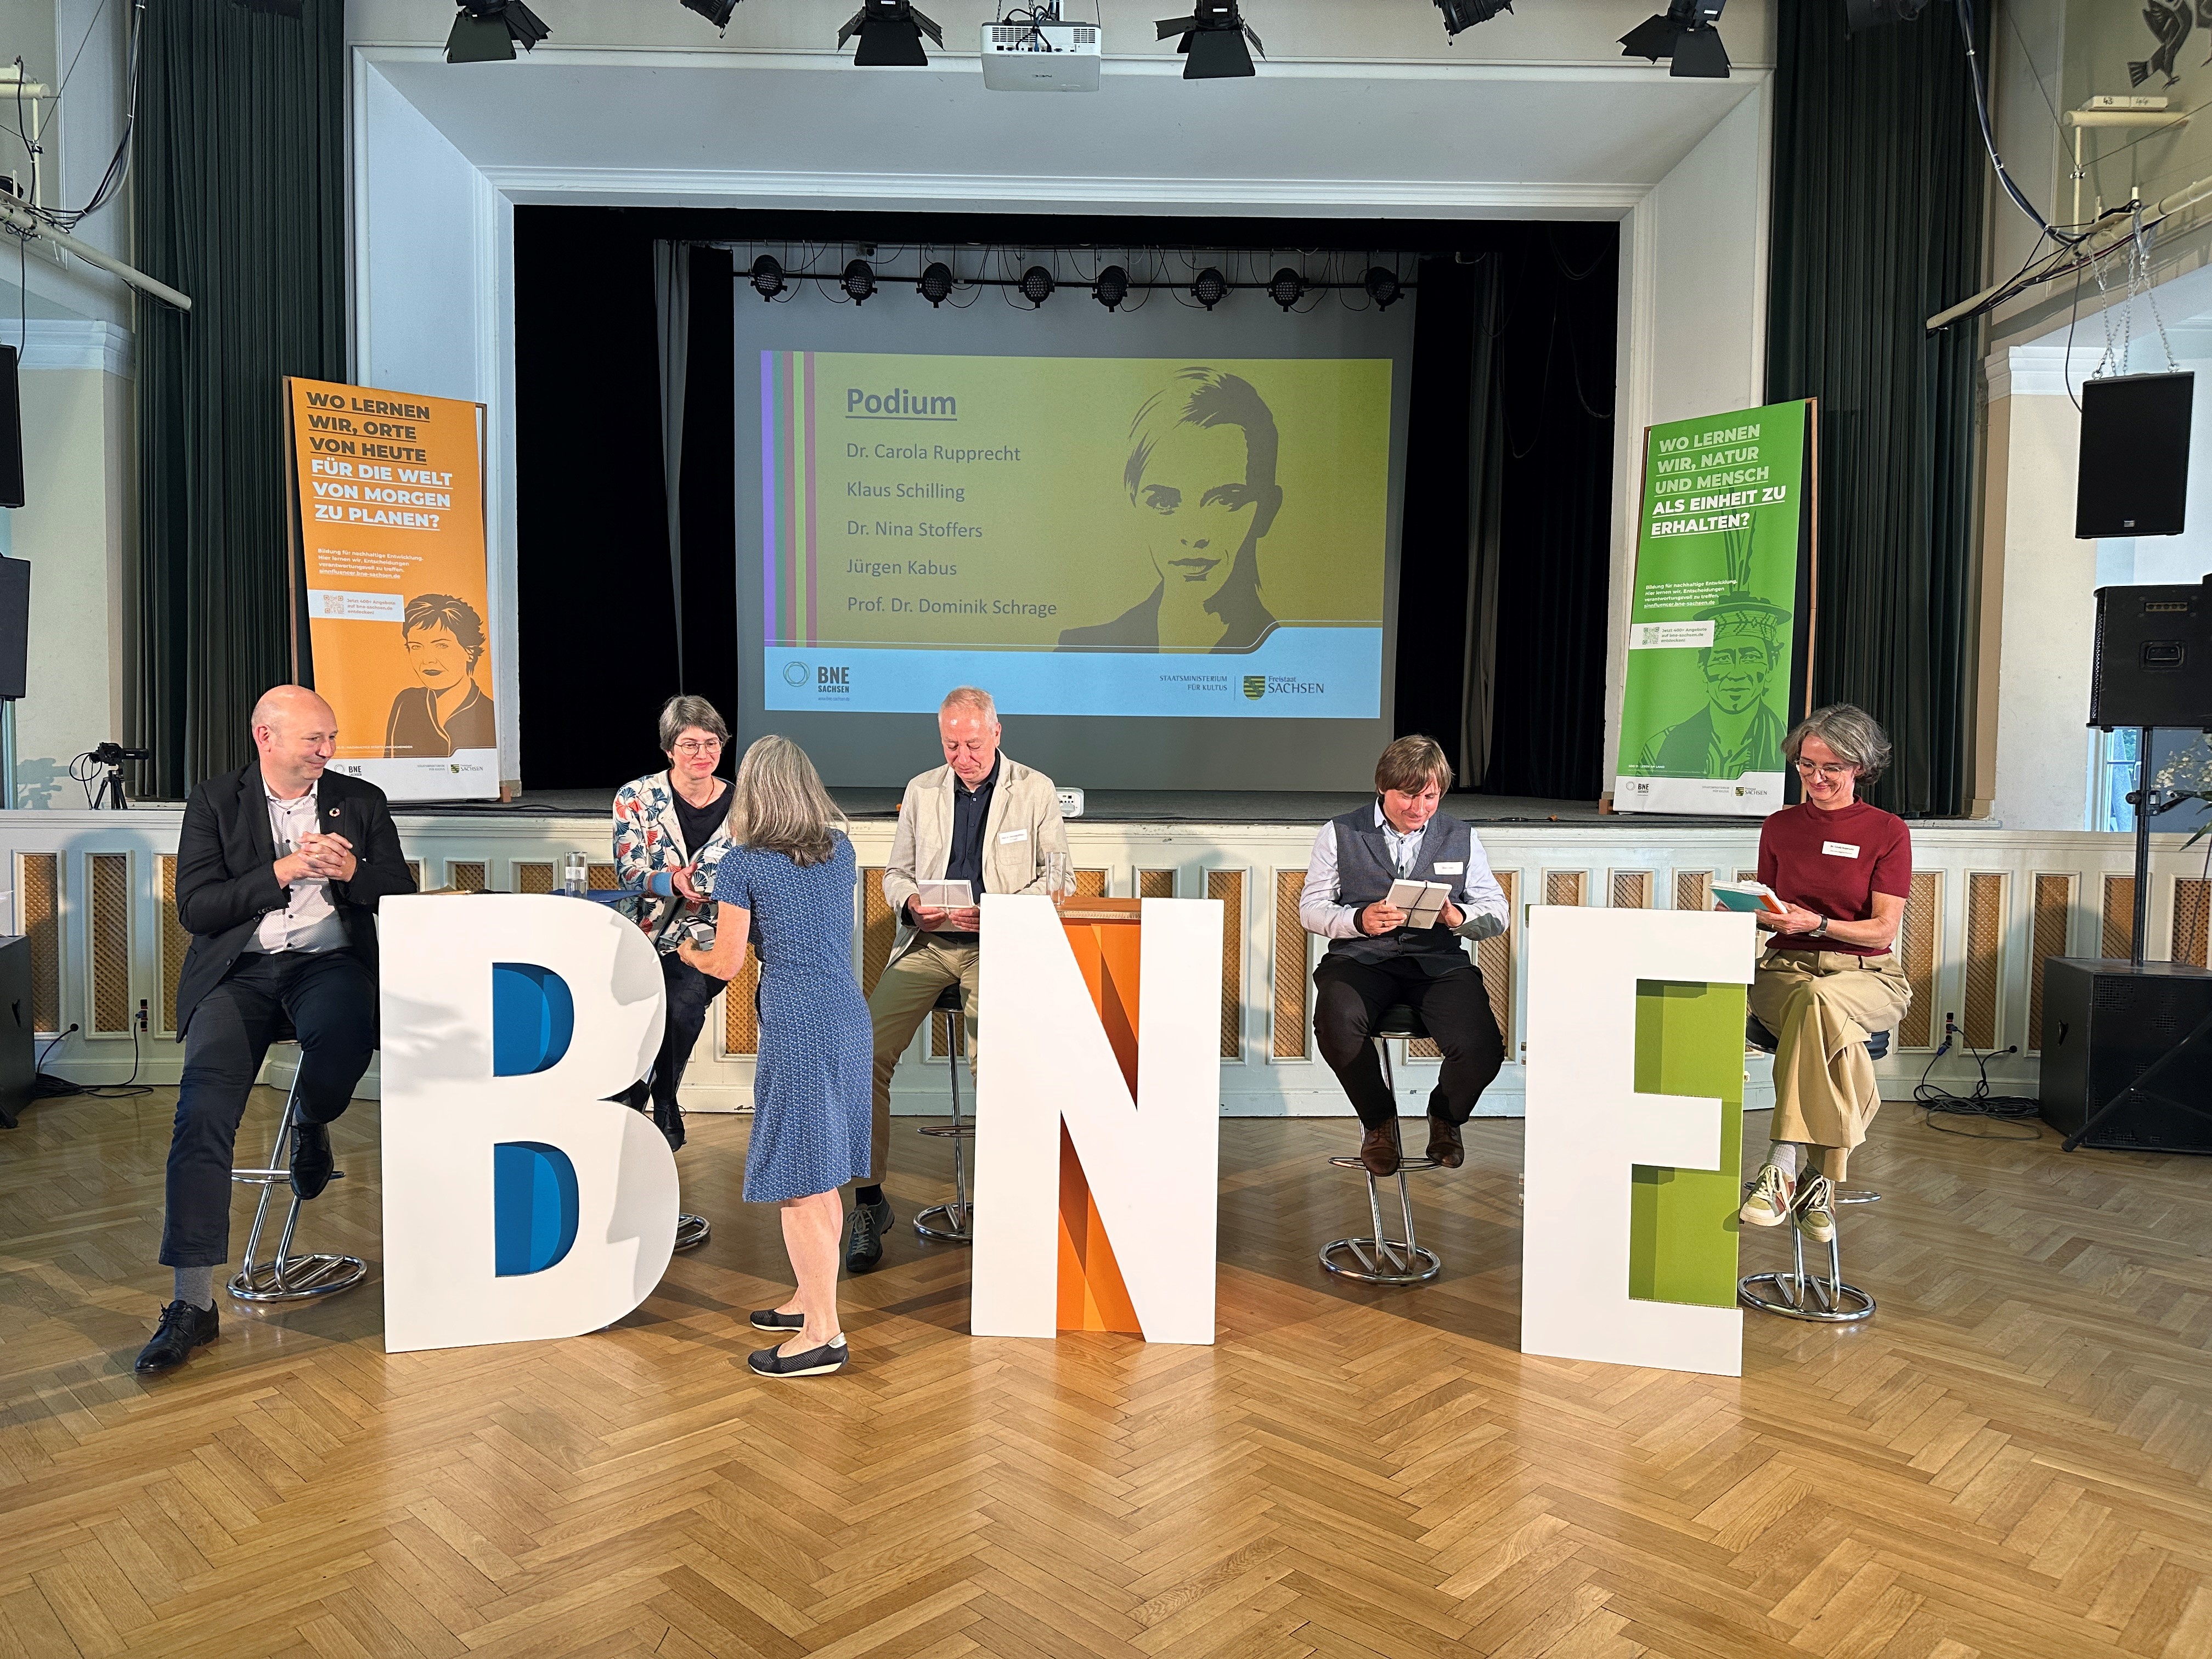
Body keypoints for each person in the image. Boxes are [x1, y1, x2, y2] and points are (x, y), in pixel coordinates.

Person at [134, 686, 416, 1375]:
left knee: (343, 1040)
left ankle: (311, 1120)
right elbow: (198, 908)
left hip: (329, 964)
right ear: (266, 737)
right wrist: (283, 871)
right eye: (315, 739)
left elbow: (400, 894)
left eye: (331, 737)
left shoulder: (361, 800)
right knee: (201, 1118)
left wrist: (352, 872)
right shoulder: (215, 801)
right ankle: (192, 1305)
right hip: (239, 974)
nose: (328, 750)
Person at [851, 685, 1068, 1273]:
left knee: (991, 1065)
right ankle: (869, 1202)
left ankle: (1005, 1207)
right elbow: (895, 874)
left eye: (972, 744)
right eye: (951, 745)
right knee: (863, 1051)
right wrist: (912, 903)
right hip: (928, 945)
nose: (962, 756)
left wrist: (994, 910)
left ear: (997, 734)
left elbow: (1058, 881)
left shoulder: (1035, 790)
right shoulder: (923, 790)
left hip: (996, 944)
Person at [679, 735, 870, 1378]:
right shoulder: (840, 849)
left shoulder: (743, 864)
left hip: (798, 1025)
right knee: (824, 1174)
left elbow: (727, 963)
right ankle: (808, 1301)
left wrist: (690, 951)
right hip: (847, 1016)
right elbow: (808, 917)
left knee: (799, 1184)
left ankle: (823, 1335)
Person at [1737, 704, 1912, 1246]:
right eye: (1806, 765)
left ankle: (1782, 1162)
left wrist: (1818, 924)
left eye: (1830, 767)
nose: (1816, 778)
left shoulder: (1887, 831)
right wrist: (1750, 910)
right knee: (1823, 1012)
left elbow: (1883, 928)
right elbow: (1771, 907)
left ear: (1860, 766)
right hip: (1786, 970)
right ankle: (1822, 1179)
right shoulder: (1780, 826)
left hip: (1869, 974)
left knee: (1822, 1003)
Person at [1301, 736, 1510, 1176]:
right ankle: (1379, 1124)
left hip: (1438, 963)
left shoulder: (1460, 836)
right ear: (1383, 786)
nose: (1419, 809)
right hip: (1361, 958)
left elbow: (1497, 913)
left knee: (1482, 1047)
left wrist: (1457, 916)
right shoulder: (1341, 832)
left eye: (1430, 797)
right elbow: (1312, 909)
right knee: (1336, 1026)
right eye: (1408, 796)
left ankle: (1445, 1118)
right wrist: (1358, 920)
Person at [1057, 367, 1282, 653]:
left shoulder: (1298, 658)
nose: (1194, 535)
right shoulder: (1081, 651)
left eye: (1226, 500)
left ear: (1267, 511)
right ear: (1134, 505)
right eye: (1163, 502)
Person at [610, 695, 738, 1151]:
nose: (703, 754)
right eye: (690, 745)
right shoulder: (635, 797)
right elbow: (628, 872)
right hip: (643, 934)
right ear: (669, 749)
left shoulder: (745, 804)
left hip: (710, 936)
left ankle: (655, 1097)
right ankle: (654, 1100)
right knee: (649, 1005)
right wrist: (671, 881)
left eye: (712, 743)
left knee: (682, 1004)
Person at [1637, 599, 1789, 780]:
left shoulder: (1792, 747)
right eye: (1723, 659)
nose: (1736, 674)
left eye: (1750, 657)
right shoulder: (1660, 748)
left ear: (1771, 666)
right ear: (1704, 669)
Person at [383, 593, 496, 758]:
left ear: (470, 652)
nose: (427, 660)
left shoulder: (490, 713)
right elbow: (389, 765)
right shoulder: (406, 702)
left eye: (442, 646)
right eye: (416, 647)